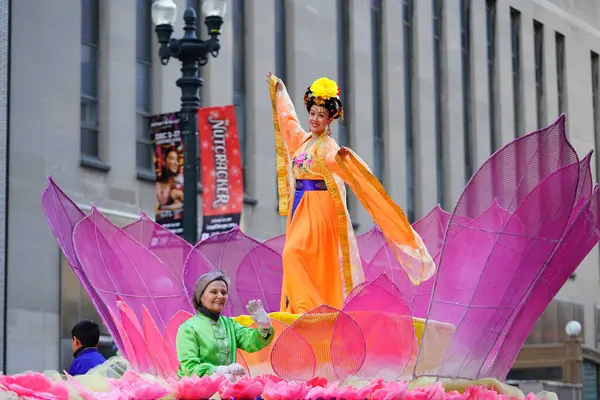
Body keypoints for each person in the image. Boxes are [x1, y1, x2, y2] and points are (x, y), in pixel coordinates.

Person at [267, 73, 436, 314]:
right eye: (312, 113)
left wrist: (345, 159)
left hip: (319, 212)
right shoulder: (302, 141)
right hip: (301, 210)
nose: (314, 119)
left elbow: (351, 172)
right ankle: (303, 308)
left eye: (321, 115)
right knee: (298, 257)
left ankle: (308, 309)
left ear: (330, 119)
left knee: (293, 254)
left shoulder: (329, 148)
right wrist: (279, 90)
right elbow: (288, 121)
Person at [176, 270, 274, 380]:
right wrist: (218, 371)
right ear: (200, 297)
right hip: (197, 391)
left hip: (227, 388)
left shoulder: (229, 324)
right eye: (214, 292)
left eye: (224, 292)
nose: (220, 296)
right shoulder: (188, 328)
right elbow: (189, 368)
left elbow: (251, 342)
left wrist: (264, 326)